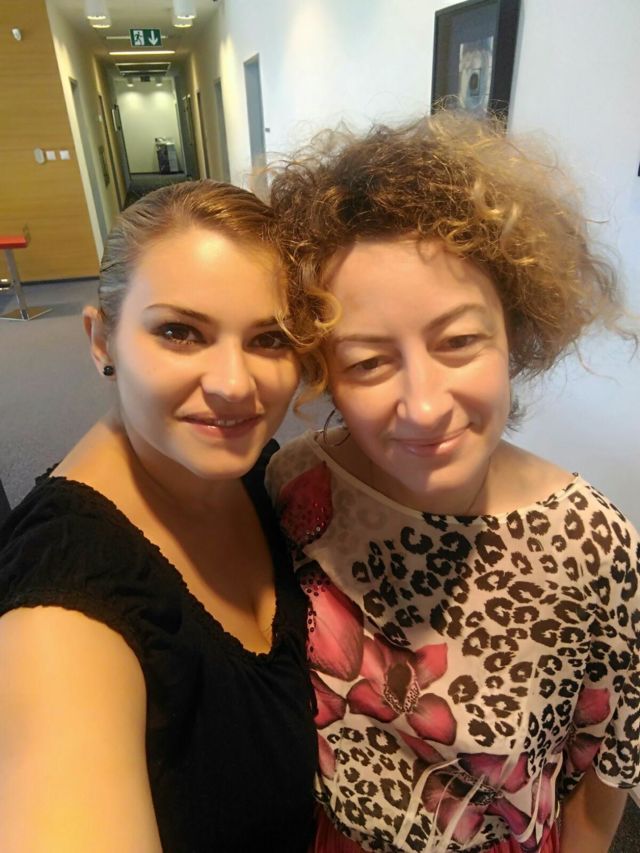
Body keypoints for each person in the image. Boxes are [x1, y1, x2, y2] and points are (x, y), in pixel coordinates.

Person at [266, 113, 640, 853]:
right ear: (324, 368)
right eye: (369, 361)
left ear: (516, 334)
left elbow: (606, 779)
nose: (425, 406)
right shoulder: (299, 486)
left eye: (460, 341)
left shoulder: (593, 548)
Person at [0, 180, 317, 852]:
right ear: (102, 340)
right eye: (180, 332)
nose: (234, 384)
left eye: (269, 338)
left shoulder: (255, 469)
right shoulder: (62, 607)